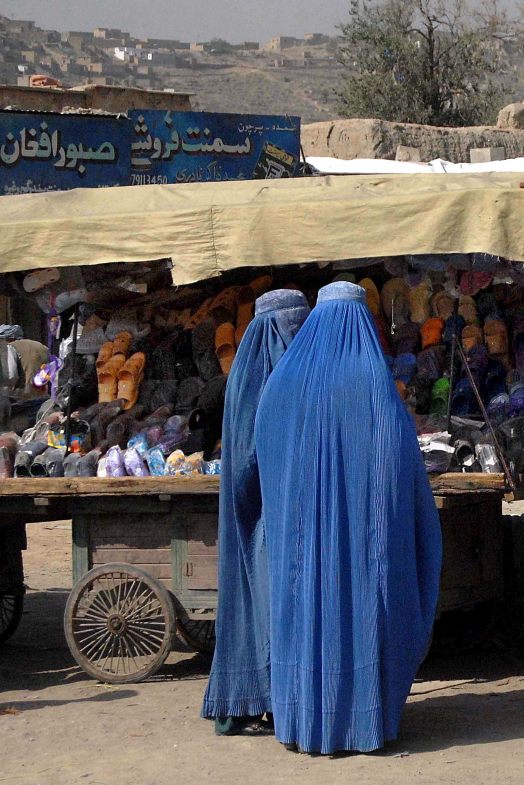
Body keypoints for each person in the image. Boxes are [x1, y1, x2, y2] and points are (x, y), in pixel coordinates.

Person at [254, 281, 442, 754]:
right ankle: (364, 722)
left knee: (301, 611)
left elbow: (266, 465)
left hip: (295, 546)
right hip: (362, 543)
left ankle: (300, 719)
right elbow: (398, 472)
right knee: (363, 611)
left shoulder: (280, 384)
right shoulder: (372, 383)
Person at [202, 290, 312, 731]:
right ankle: (256, 699)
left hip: (287, 515)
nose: (296, 336)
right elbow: (248, 458)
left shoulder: (293, 372)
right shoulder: (253, 378)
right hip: (261, 519)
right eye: (290, 326)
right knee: (264, 604)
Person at [0, 324, 50, 398]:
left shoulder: (9, 347)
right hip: (43, 395)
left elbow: (11, 375)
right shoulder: (42, 346)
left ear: (9, 339)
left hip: (23, 395)